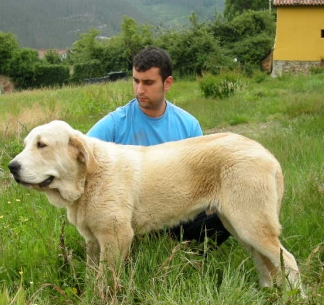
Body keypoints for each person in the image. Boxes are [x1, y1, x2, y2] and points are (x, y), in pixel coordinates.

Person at [87, 46, 229, 247]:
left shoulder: (188, 125)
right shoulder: (114, 123)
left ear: (167, 83)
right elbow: (81, 158)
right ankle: (136, 249)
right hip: (132, 218)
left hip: (177, 213)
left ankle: (185, 256)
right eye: (136, 81)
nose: (139, 90)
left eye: (148, 82)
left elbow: (204, 178)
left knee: (223, 214)